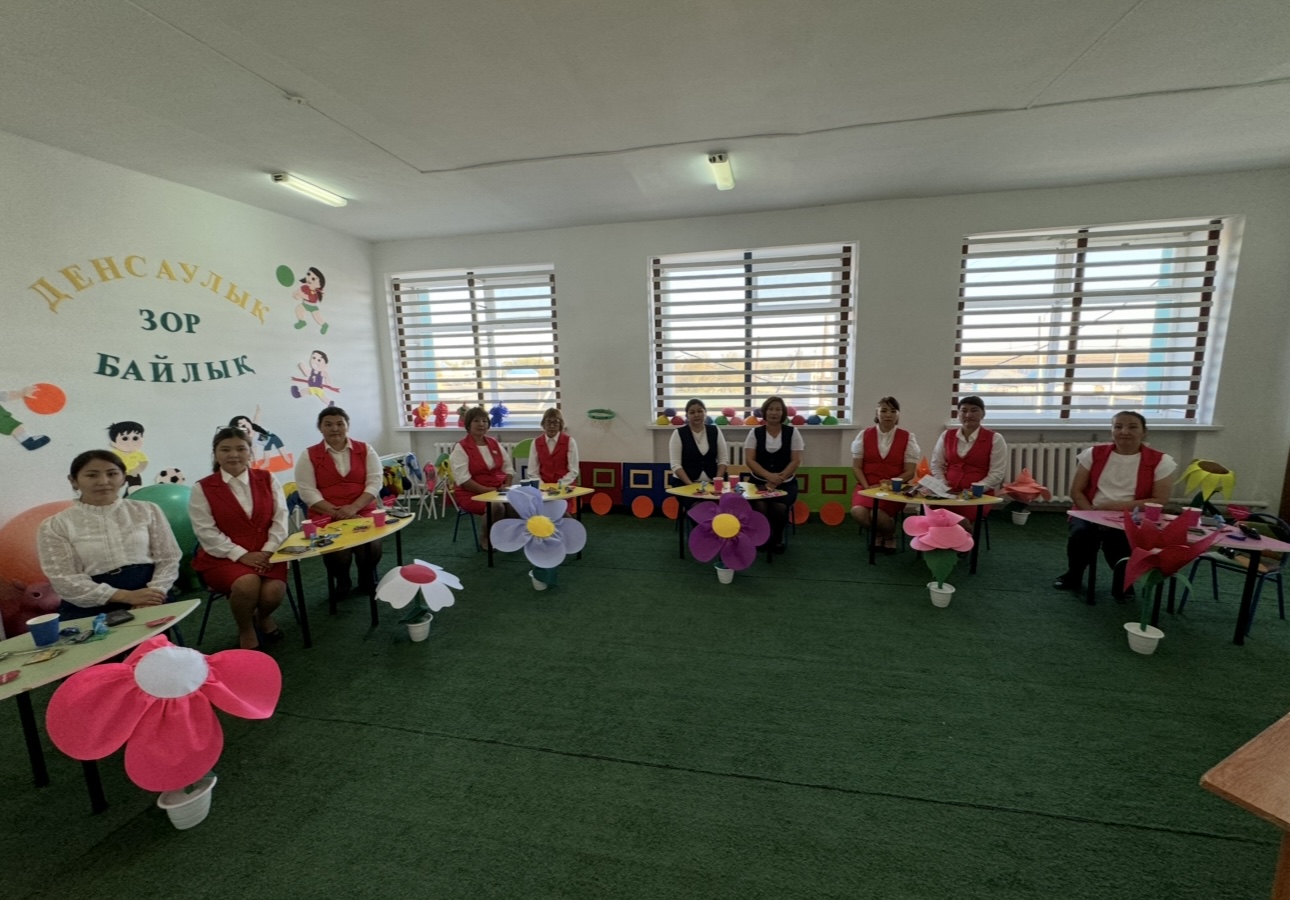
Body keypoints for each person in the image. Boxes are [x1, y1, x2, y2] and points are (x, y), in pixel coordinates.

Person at [37, 449, 181, 620]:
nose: (103, 481)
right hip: (91, 602)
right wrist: (126, 596)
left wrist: (153, 593)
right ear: (73, 481)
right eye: (92, 475)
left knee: (156, 636)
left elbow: (168, 558)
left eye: (112, 474)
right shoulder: (55, 525)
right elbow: (64, 579)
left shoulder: (147, 510)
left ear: (124, 478)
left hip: (148, 592)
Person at [1054, 411, 1176, 601]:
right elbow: (1076, 491)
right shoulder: (1093, 454)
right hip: (1090, 511)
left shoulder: (1161, 461)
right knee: (1081, 535)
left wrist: (1117, 508)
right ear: (1112, 430)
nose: (1124, 431)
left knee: (1120, 542)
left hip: (1132, 516)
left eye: (1132, 427)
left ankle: (1123, 582)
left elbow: (1160, 499)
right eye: (1118, 427)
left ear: (1144, 432)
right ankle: (1074, 574)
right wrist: (1093, 516)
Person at [190, 427, 289, 650]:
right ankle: (246, 628)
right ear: (215, 454)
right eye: (225, 449)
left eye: (240, 449)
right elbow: (205, 531)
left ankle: (262, 617)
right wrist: (241, 555)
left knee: (274, 592)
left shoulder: (267, 478)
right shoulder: (202, 487)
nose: (233, 454)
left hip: (267, 552)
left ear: (250, 452)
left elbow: (281, 517)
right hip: (223, 557)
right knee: (247, 583)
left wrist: (268, 549)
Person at [294, 406, 384, 598]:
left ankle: (366, 577)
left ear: (347, 426)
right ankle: (342, 581)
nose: (334, 428)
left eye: (339, 424)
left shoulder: (366, 450)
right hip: (326, 514)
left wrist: (354, 508)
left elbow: (375, 482)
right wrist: (337, 512)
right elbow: (307, 491)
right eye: (328, 424)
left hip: (362, 510)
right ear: (320, 428)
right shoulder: (308, 455)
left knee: (371, 545)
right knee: (337, 549)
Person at [849, 396, 921, 551]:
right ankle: (879, 533)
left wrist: (890, 483)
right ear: (877, 413)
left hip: (894, 489)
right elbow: (857, 467)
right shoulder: (863, 435)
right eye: (884, 411)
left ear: (898, 414)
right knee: (857, 512)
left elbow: (909, 472)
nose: (888, 415)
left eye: (893, 411)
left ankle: (889, 535)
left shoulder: (908, 437)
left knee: (876, 514)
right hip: (867, 486)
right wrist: (867, 487)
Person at [929, 395, 1007, 526]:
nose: (968, 415)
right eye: (964, 411)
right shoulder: (947, 435)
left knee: (959, 521)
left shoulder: (995, 438)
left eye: (974, 410)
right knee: (932, 516)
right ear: (958, 414)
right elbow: (936, 464)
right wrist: (942, 484)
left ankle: (966, 537)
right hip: (947, 492)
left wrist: (975, 489)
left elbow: (997, 473)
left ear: (983, 414)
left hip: (978, 496)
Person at [744, 396, 803, 554]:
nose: (774, 413)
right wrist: (768, 476)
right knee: (759, 505)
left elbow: (796, 460)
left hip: (786, 483)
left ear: (783, 413)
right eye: (770, 409)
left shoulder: (793, 432)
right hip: (757, 482)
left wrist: (778, 479)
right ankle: (760, 538)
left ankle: (776, 539)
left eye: (778, 409)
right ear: (765, 412)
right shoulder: (754, 432)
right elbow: (750, 460)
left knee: (779, 507)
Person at [451, 406, 516, 548]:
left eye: (485, 421)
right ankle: (486, 537)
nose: (481, 424)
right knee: (496, 507)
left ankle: (507, 536)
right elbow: (464, 480)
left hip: (496, 490)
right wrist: (488, 491)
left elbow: (508, 468)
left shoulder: (494, 443)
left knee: (516, 504)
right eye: (476, 421)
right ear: (468, 424)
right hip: (470, 493)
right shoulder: (461, 447)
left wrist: (507, 485)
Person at [668, 399, 728, 485]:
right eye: (692, 412)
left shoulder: (715, 431)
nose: (696, 415)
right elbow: (675, 465)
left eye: (700, 411)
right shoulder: (678, 433)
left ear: (705, 413)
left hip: (712, 483)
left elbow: (723, 460)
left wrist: (717, 481)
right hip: (684, 484)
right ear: (687, 416)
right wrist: (690, 485)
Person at [527, 408, 579, 486]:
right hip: (543, 486)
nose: (552, 426)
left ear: (560, 424)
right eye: (548, 422)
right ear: (543, 424)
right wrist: (543, 486)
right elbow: (532, 472)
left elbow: (573, 470)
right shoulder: (536, 442)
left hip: (565, 485)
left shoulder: (570, 441)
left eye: (556, 422)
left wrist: (559, 485)